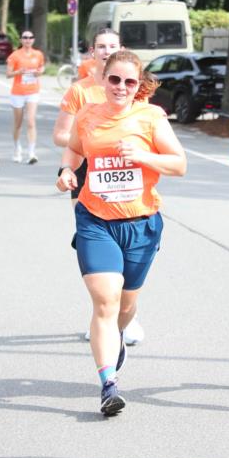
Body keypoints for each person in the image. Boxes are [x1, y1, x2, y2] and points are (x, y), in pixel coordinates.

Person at [57, 49, 186, 415]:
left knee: (126, 306)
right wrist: (66, 171)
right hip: (95, 220)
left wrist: (143, 156)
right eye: (114, 79)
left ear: (138, 84)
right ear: (103, 79)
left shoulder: (151, 117)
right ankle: (108, 384)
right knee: (105, 301)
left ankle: (116, 338)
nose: (121, 87)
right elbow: (73, 150)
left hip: (141, 224)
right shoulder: (88, 115)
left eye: (129, 81)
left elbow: (179, 164)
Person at [53, 30, 146, 347]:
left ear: (122, 49)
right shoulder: (79, 91)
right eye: (101, 47)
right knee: (96, 249)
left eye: (112, 46)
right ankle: (102, 313)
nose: (107, 51)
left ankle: (127, 315)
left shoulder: (131, 86)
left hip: (126, 172)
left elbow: (146, 127)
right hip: (86, 171)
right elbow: (61, 135)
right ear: (92, 52)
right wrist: (94, 137)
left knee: (129, 249)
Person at [6, 30, 46, 164]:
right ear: (21, 40)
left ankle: (31, 153)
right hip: (18, 92)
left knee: (31, 121)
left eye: (30, 37)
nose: (28, 40)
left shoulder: (38, 54)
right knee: (18, 124)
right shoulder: (15, 55)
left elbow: (42, 68)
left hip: (33, 91)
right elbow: (8, 74)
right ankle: (17, 148)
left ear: (33, 40)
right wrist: (19, 72)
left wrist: (39, 72)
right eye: (25, 37)